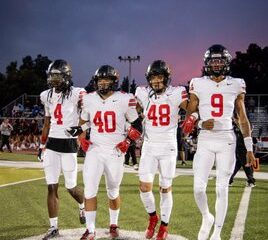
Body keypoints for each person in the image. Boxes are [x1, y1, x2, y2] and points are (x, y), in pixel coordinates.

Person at [183, 44, 256, 240]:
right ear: (207, 63)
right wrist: (198, 121)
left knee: (221, 188)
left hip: (227, 140)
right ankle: (207, 217)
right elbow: (190, 112)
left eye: (220, 60)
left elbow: (242, 117)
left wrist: (249, 148)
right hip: (206, 139)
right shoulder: (197, 83)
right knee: (198, 188)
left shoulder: (236, 83)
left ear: (226, 63)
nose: (216, 64)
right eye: (213, 61)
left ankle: (217, 233)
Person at [67, 65, 142, 240]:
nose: (103, 83)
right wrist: (81, 137)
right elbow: (84, 122)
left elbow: (137, 125)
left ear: (114, 82)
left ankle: (113, 223)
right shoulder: (89, 99)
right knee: (89, 190)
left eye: (106, 80)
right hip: (95, 149)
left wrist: (128, 141)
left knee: (113, 191)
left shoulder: (125, 99)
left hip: (115, 151)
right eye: (100, 80)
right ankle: (90, 229)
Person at [135, 60, 188, 240]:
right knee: (144, 187)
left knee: (165, 188)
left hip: (168, 147)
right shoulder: (142, 93)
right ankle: (153, 217)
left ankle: (164, 225)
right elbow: (133, 111)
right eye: (153, 77)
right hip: (149, 146)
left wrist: (194, 116)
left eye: (160, 77)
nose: (156, 81)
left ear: (166, 78)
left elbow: (190, 108)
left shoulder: (176, 93)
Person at [38, 59, 86, 239]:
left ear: (66, 76)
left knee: (71, 187)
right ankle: (53, 227)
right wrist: (42, 145)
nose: (53, 79)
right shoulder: (46, 95)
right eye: (51, 76)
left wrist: (81, 131)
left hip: (68, 143)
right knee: (51, 187)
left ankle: (81, 206)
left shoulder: (77, 93)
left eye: (57, 76)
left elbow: (88, 115)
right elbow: (47, 122)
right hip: (52, 144)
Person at [229, 118, 256, 187]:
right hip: (237, 147)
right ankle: (229, 180)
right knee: (236, 165)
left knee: (246, 165)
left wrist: (238, 124)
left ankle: (251, 181)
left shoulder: (247, 123)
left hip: (245, 148)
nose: (234, 120)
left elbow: (248, 131)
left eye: (235, 119)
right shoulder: (234, 126)